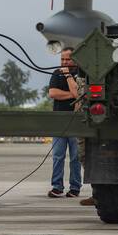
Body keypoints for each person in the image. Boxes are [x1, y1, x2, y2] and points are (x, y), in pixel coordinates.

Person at [47, 48, 82, 198]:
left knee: (76, 157)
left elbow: (77, 93)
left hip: (75, 121)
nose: (64, 62)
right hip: (59, 121)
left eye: (67, 59)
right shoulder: (56, 73)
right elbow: (52, 93)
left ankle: (75, 187)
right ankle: (57, 186)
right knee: (58, 155)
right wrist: (73, 96)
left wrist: (68, 75)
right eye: (62, 59)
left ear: (74, 59)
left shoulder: (81, 73)